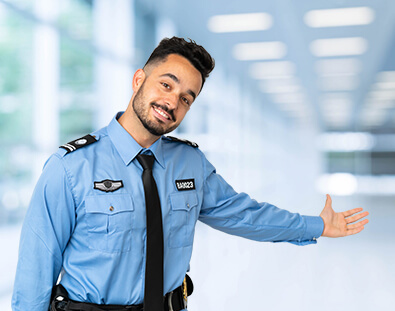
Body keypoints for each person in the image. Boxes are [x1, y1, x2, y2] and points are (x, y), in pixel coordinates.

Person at [12, 37, 369, 311]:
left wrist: (316, 225)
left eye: (187, 97)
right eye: (166, 85)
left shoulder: (190, 165)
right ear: (139, 79)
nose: (173, 102)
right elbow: (35, 270)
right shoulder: (71, 167)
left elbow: (245, 214)